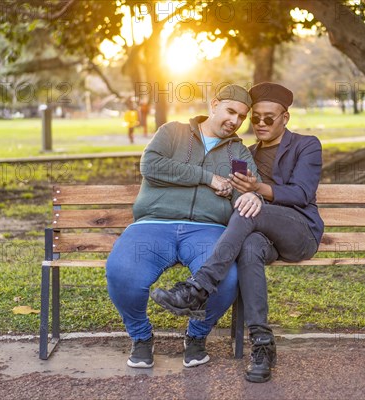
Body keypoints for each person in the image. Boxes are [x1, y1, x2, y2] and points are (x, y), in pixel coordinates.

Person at [151, 82, 324, 383]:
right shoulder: (244, 152)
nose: (260, 123)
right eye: (254, 117)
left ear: (285, 117)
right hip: (262, 237)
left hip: (299, 232)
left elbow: (302, 193)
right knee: (248, 247)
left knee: (248, 211)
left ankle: (199, 288)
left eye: (269, 117)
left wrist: (256, 190)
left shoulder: (306, 145)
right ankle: (262, 343)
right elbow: (235, 193)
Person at [106, 84, 264, 369]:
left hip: (208, 229)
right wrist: (208, 178)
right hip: (154, 224)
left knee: (226, 280)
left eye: (242, 116)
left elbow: (244, 190)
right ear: (214, 104)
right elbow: (152, 166)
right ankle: (141, 337)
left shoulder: (237, 154)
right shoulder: (173, 132)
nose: (235, 121)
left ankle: (197, 336)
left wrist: (252, 194)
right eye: (230, 111)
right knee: (123, 272)